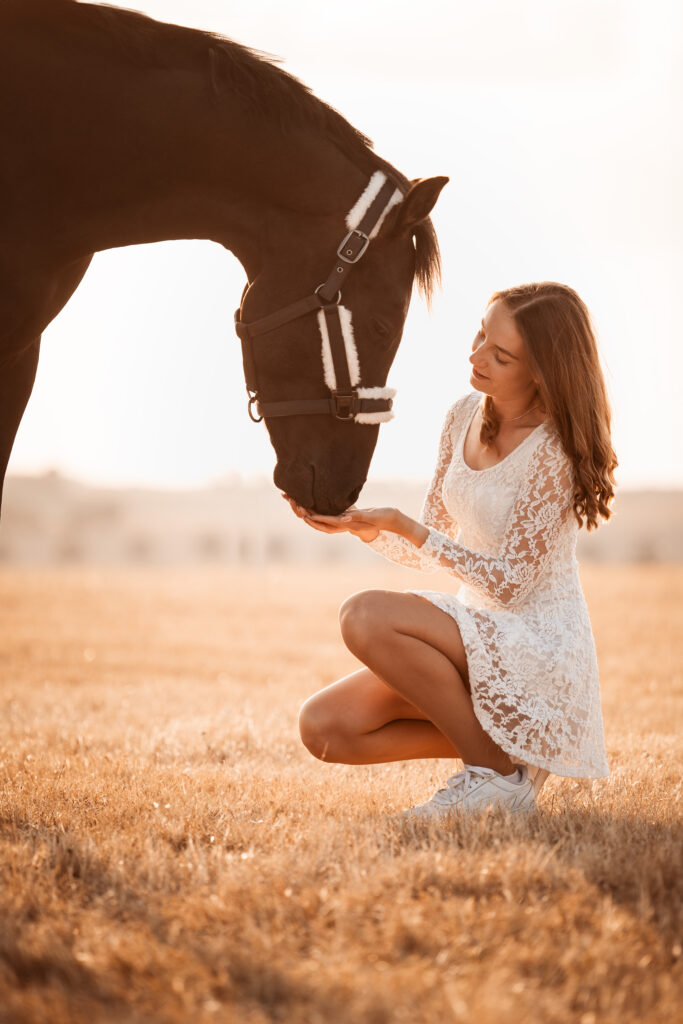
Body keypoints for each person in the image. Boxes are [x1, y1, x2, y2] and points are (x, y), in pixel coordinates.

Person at [284, 282, 618, 818]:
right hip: (474, 636)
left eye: (500, 354)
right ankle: (503, 753)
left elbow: (511, 583)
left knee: (365, 614)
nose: (477, 355)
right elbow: (433, 546)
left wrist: (410, 528)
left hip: (537, 646)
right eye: (481, 335)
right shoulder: (463, 413)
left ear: (540, 372)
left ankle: (497, 779)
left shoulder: (553, 446)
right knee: (324, 728)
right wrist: (362, 526)